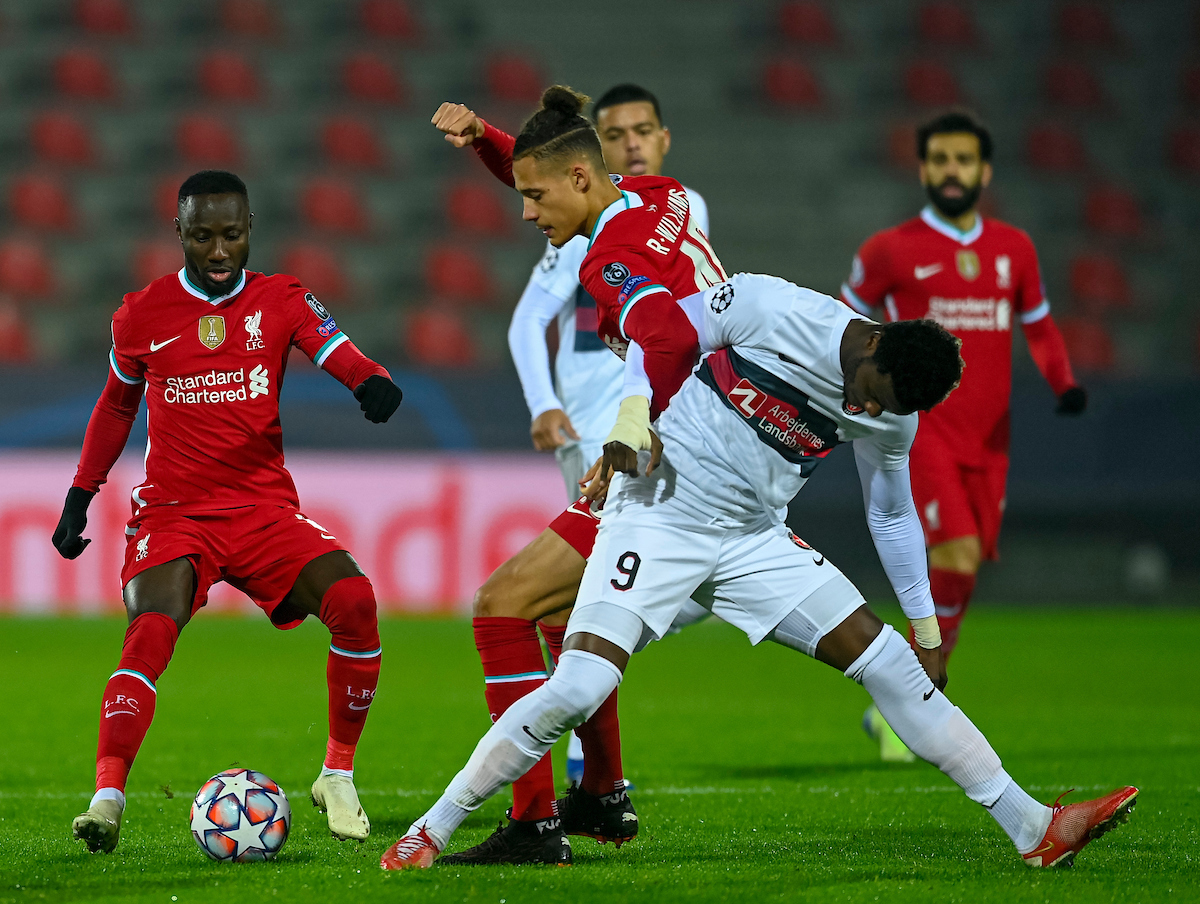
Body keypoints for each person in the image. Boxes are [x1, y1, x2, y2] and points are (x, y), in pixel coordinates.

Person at [380, 273, 1136, 872]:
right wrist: (629, 425)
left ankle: (1036, 827)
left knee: (897, 670)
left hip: (753, 543)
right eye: (869, 393)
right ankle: (432, 829)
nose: (863, 408)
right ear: (871, 345)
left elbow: (893, 514)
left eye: (880, 409)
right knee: (581, 686)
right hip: (658, 512)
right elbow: (667, 333)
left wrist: (928, 626)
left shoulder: (893, 410)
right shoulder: (776, 308)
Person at [53, 171, 403, 853]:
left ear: (250, 230)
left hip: (262, 508)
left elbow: (338, 350)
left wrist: (371, 381)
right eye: (204, 235)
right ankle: (108, 796)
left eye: (232, 234)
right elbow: (116, 406)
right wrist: (80, 492)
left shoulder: (283, 299)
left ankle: (337, 773)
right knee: (150, 631)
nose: (219, 250)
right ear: (180, 233)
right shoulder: (141, 314)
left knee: (356, 602)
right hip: (173, 514)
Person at [425, 85, 724, 864]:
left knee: (500, 607)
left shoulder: (610, 260)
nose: (525, 215)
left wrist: (628, 435)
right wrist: (494, 138)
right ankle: (602, 796)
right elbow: (555, 178)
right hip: (720, 447)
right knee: (569, 620)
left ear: (585, 180)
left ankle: (531, 825)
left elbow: (659, 340)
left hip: (675, 464)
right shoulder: (665, 197)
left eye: (532, 199)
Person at [839, 111, 1086, 761]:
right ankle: (913, 709)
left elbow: (1039, 324)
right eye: (940, 160)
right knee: (954, 555)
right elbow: (844, 318)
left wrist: (1063, 381)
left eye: (964, 160)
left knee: (965, 568)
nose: (952, 171)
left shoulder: (1016, 249)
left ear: (985, 171)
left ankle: (899, 703)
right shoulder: (890, 249)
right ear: (922, 170)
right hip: (925, 430)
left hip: (990, 438)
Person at [507, 83, 713, 791]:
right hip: (599, 431)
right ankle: (591, 770)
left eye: (641, 131)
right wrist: (544, 402)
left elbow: (659, 333)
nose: (630, 143)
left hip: (658, 425)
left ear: (661, 139)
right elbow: (528, 318)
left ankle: (587, 762)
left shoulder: (645, 216)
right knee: (585, 595)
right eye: (615, 131)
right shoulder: (611, 216)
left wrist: (635, 418)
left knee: (587, 598)